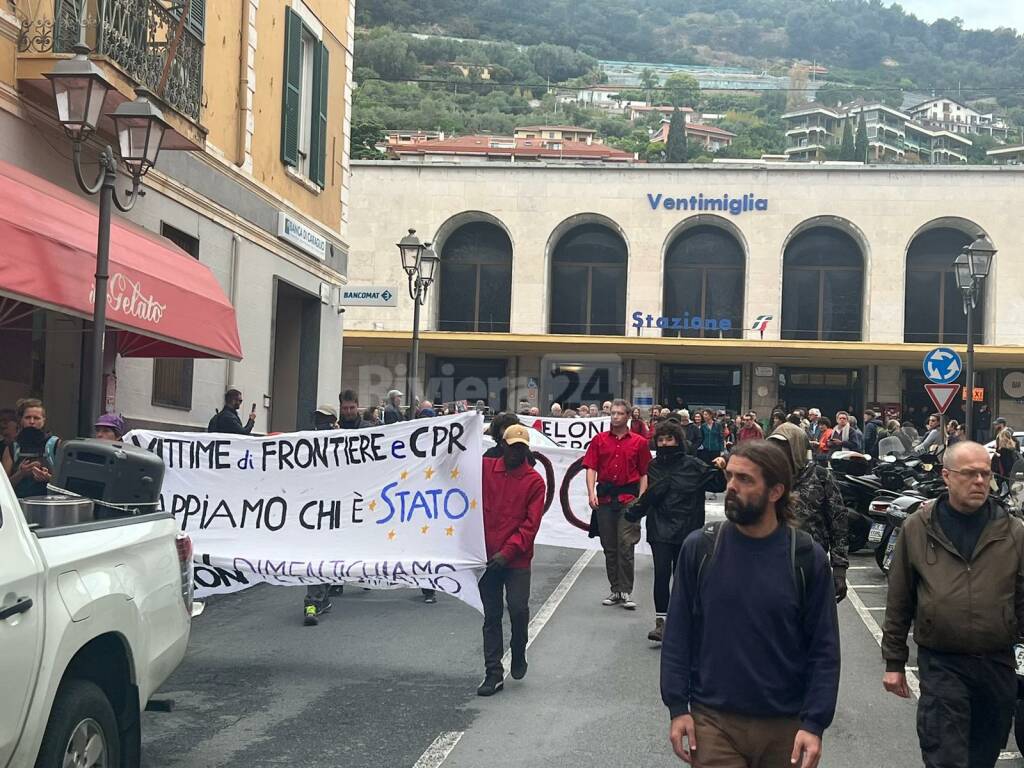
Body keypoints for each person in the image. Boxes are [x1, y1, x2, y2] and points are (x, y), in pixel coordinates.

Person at [661, 440, 840, 768]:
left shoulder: (805, 557)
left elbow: (824, 648)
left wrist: (814, 724)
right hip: (713, 721)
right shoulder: (700, 548)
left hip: (786, 724)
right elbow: (678, 633)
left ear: (775, 492)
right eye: (729, 476)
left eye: (745, 480)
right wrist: (677, 707)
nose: (731, 487)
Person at [882, 441, 1024, 768]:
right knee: (946, 754)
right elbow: (900, 596)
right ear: (946, 476)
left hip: (996, 665)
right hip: (943, 662)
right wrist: (894, 661)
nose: (979, 482)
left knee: (983, 755)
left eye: (985, 474)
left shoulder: (1011, 530)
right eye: (969, 474)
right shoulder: (919, 527)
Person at [625, 420, 726, 642]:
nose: (664, 443)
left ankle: (684, 621)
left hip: (688, 526)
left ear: (678, 440)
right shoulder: (653, 466)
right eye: (660, 440)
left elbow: (718, 485)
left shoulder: (694, 465)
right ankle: (661, 622)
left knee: (684, 576)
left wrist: (720, 466)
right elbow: (648, 496)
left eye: (669, 439)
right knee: (661, 573)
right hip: (660, 525)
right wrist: (633, 512)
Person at [476, 424, 546, 696]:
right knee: (491, 616)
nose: (515, 451)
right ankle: (493, 672)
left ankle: (519, 648)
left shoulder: (534, 481)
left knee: (517, 609)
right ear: (502, 445)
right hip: (486, 557)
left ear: (526, 450)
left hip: (515, 559)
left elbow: (531, 525)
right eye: (511, 446)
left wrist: (507, 553)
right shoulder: (485, 469)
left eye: (521, 447)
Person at [768, 425, 850, 601]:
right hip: (772, 565)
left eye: (783, 446)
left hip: (811, 565)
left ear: (796, 448)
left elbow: (839, 522)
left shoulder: (820, 477)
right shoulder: (768, 478)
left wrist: (839, 569)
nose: (777, 452)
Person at [583, 399, 651, 610]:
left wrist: (641, 498)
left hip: (628, 499)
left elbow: (644, 472)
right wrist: (591, 492)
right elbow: (591, 467)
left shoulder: (639, 442)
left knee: (626, 544)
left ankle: (626, 590)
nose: (615, 417)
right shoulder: (599, 440)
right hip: (605, 499)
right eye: (613, 413)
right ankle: (615, 589)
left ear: (628, 416)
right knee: (609, 546)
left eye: (620, 413)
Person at [2, 398, 60, 499]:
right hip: (19, 505)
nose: (32, 422)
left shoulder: (55, 444)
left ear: (43, 420)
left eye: (36, 418)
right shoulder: (12, 447)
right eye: (28, 417)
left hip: (48, 505)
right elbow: (3, 487)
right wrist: (21, 474)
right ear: (21, 420)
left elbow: (65, 486)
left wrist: (48, 478)